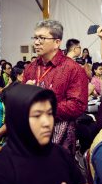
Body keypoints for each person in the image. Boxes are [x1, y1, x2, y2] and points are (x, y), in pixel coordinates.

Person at [0, 84, 94, 184]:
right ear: (18, 119)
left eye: (50, 113)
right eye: (37, 115)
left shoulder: (60, 155)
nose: (47, 122)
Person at [23, 20, 88, 155]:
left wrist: (43, 109)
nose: (36, 42)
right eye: (35, 38)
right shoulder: (30, 68)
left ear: (57, 42)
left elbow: (78, 105)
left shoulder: (73, 69)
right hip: (33, 132)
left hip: (61, 136)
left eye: (42, 38)